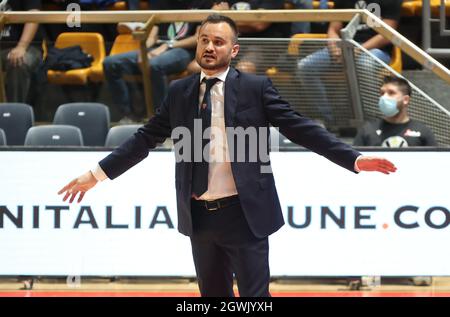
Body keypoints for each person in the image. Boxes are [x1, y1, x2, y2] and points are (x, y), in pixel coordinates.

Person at [58, 14, 397, 297]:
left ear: (233, 49)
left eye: (218, 42)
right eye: (204, 39)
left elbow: (300, 128)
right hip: (199, 215)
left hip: (244, 214)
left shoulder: (255, 88)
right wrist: (96, 174)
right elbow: (144, 138)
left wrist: (352, 158)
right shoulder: (179, 91)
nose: (209, 46)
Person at [296, 0, 403, 126]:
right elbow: (333, 29)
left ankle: (373, 119)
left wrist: (357, 50)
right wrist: (335, 46)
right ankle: (327, 119)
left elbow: (386, 34)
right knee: (305, 66)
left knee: (364, 65)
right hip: (345, 46)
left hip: (376, 50)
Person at [103, 0, 211, 123]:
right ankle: (128, 115)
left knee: (154, 65)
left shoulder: (202, 3)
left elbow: (198, 38)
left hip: (183, 50)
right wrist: (144, 52)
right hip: (157, 48)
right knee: (110, 63)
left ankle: (162, 119)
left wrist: (168, 46)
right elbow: (152, 33)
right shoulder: (160, 2)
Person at [353, 76, 437, 147]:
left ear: (405, 100)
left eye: (391, 93)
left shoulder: (422, 131)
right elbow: (355, 161)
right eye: (382, 93)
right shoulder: (367, 130)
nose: (384, 97)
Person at [0, 0, 42, 103]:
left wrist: (21, 46)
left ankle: (13, 114)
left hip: (26, 46)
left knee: (18, 62)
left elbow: (33, 16)